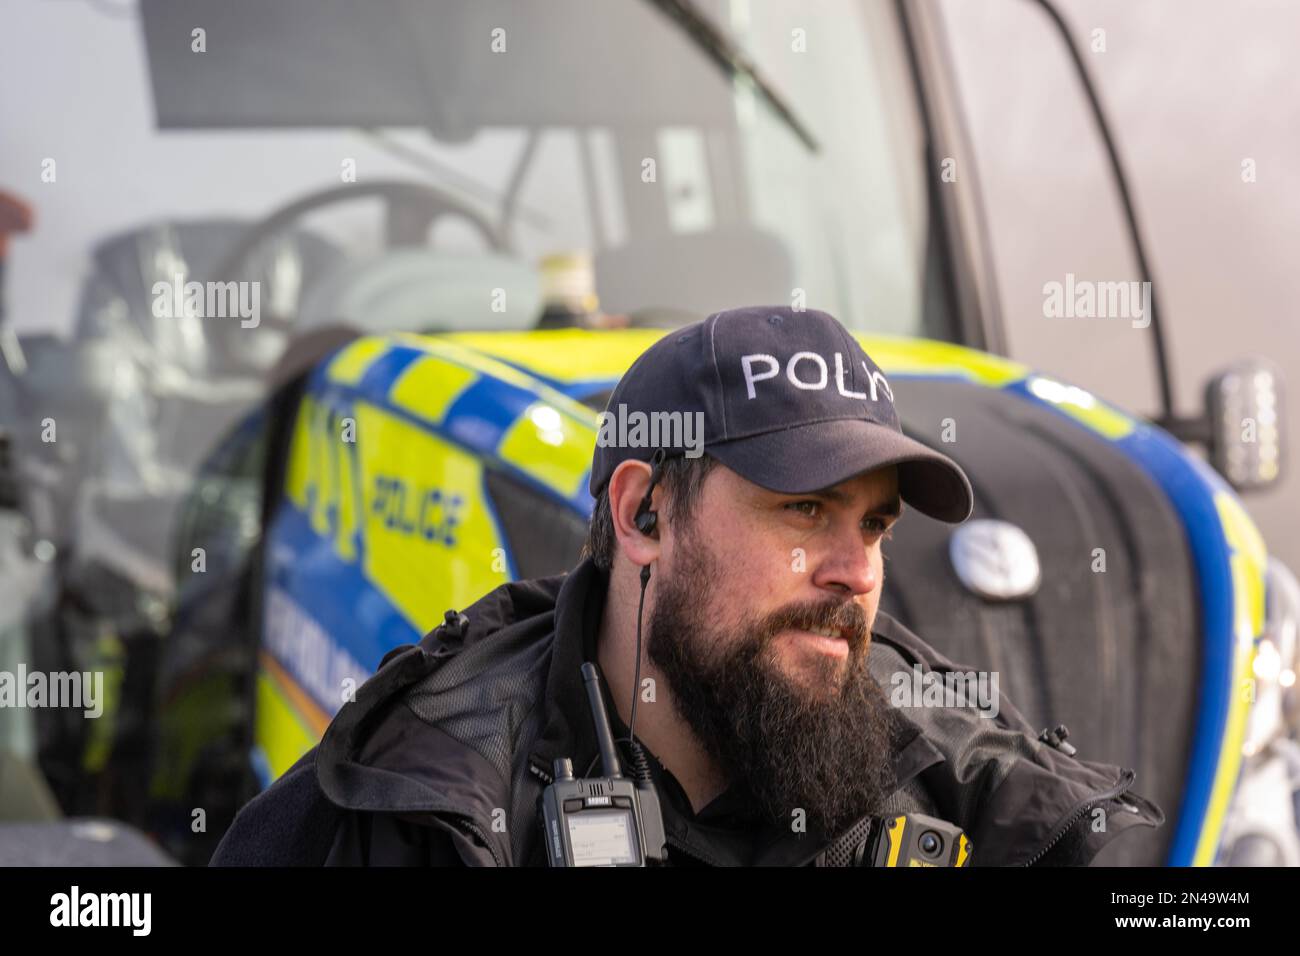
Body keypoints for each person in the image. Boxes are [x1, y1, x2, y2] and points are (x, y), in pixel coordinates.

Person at [211, 305, 1163, 866]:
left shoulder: (967, 788)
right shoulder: (423, 807)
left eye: (873, 524)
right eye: (805, 510)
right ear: (644, 516)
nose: (859, 570)